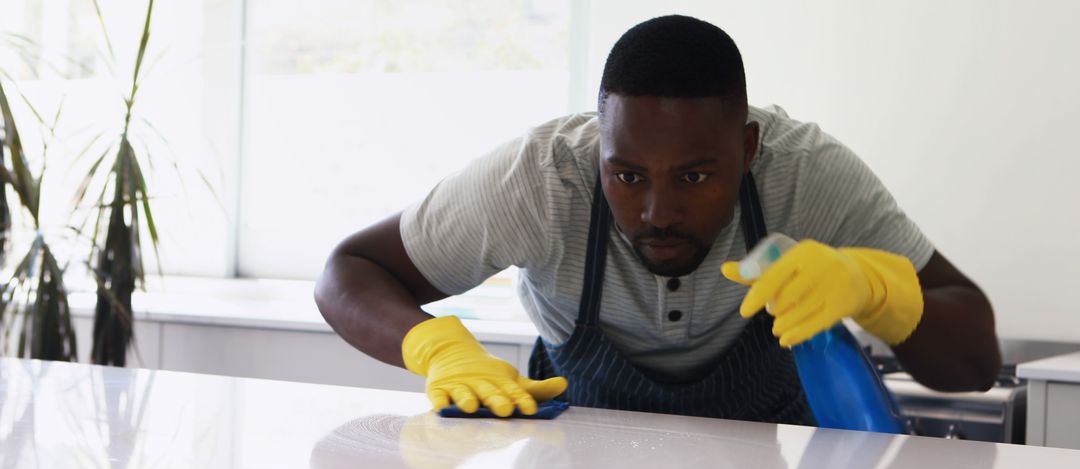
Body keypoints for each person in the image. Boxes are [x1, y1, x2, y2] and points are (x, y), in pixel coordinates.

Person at [315, 14, 1001, 423]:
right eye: (627, 175)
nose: (657, 212)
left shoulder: (808, 175)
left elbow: (973, 362)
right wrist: (434, 347)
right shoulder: (541, 177)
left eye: (695, 177)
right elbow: (351, 270)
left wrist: (879, 290)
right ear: (600, 147)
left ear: (749, 148)